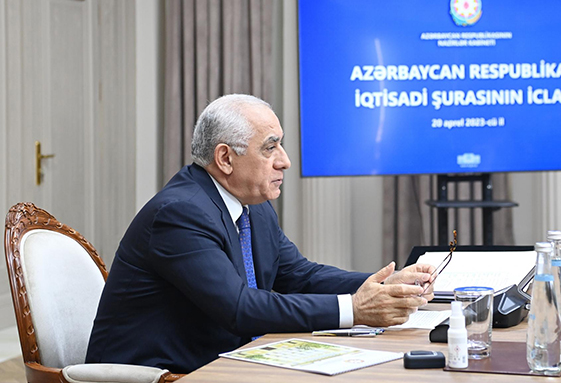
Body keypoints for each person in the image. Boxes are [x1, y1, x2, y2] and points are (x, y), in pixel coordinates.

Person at [86, 94, 435, 374]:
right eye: (270, 148)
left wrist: (383, 286)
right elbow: (239, 308)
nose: (284, 161)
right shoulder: (180, 213)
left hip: (221, 364)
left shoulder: (254, 206)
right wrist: (355, 309)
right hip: (162, 374)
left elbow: (299, 275)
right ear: (225, 158)